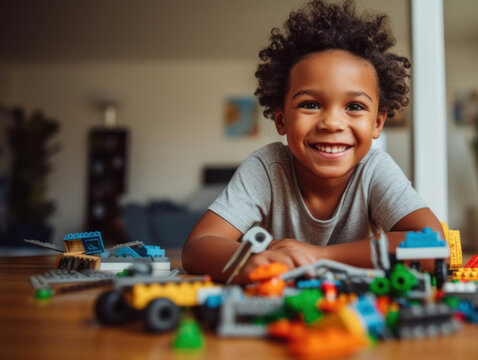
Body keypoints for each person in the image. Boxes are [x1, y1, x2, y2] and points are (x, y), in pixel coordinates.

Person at [182, 0, 442, 282]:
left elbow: (433, 247)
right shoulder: (266, 168)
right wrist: (248, 263)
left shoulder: (374, 168)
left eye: (354, 106)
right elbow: (198, 246)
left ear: (377, 123)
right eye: (310, 105)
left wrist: (318, 256)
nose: (331, 123)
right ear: (281, 120)